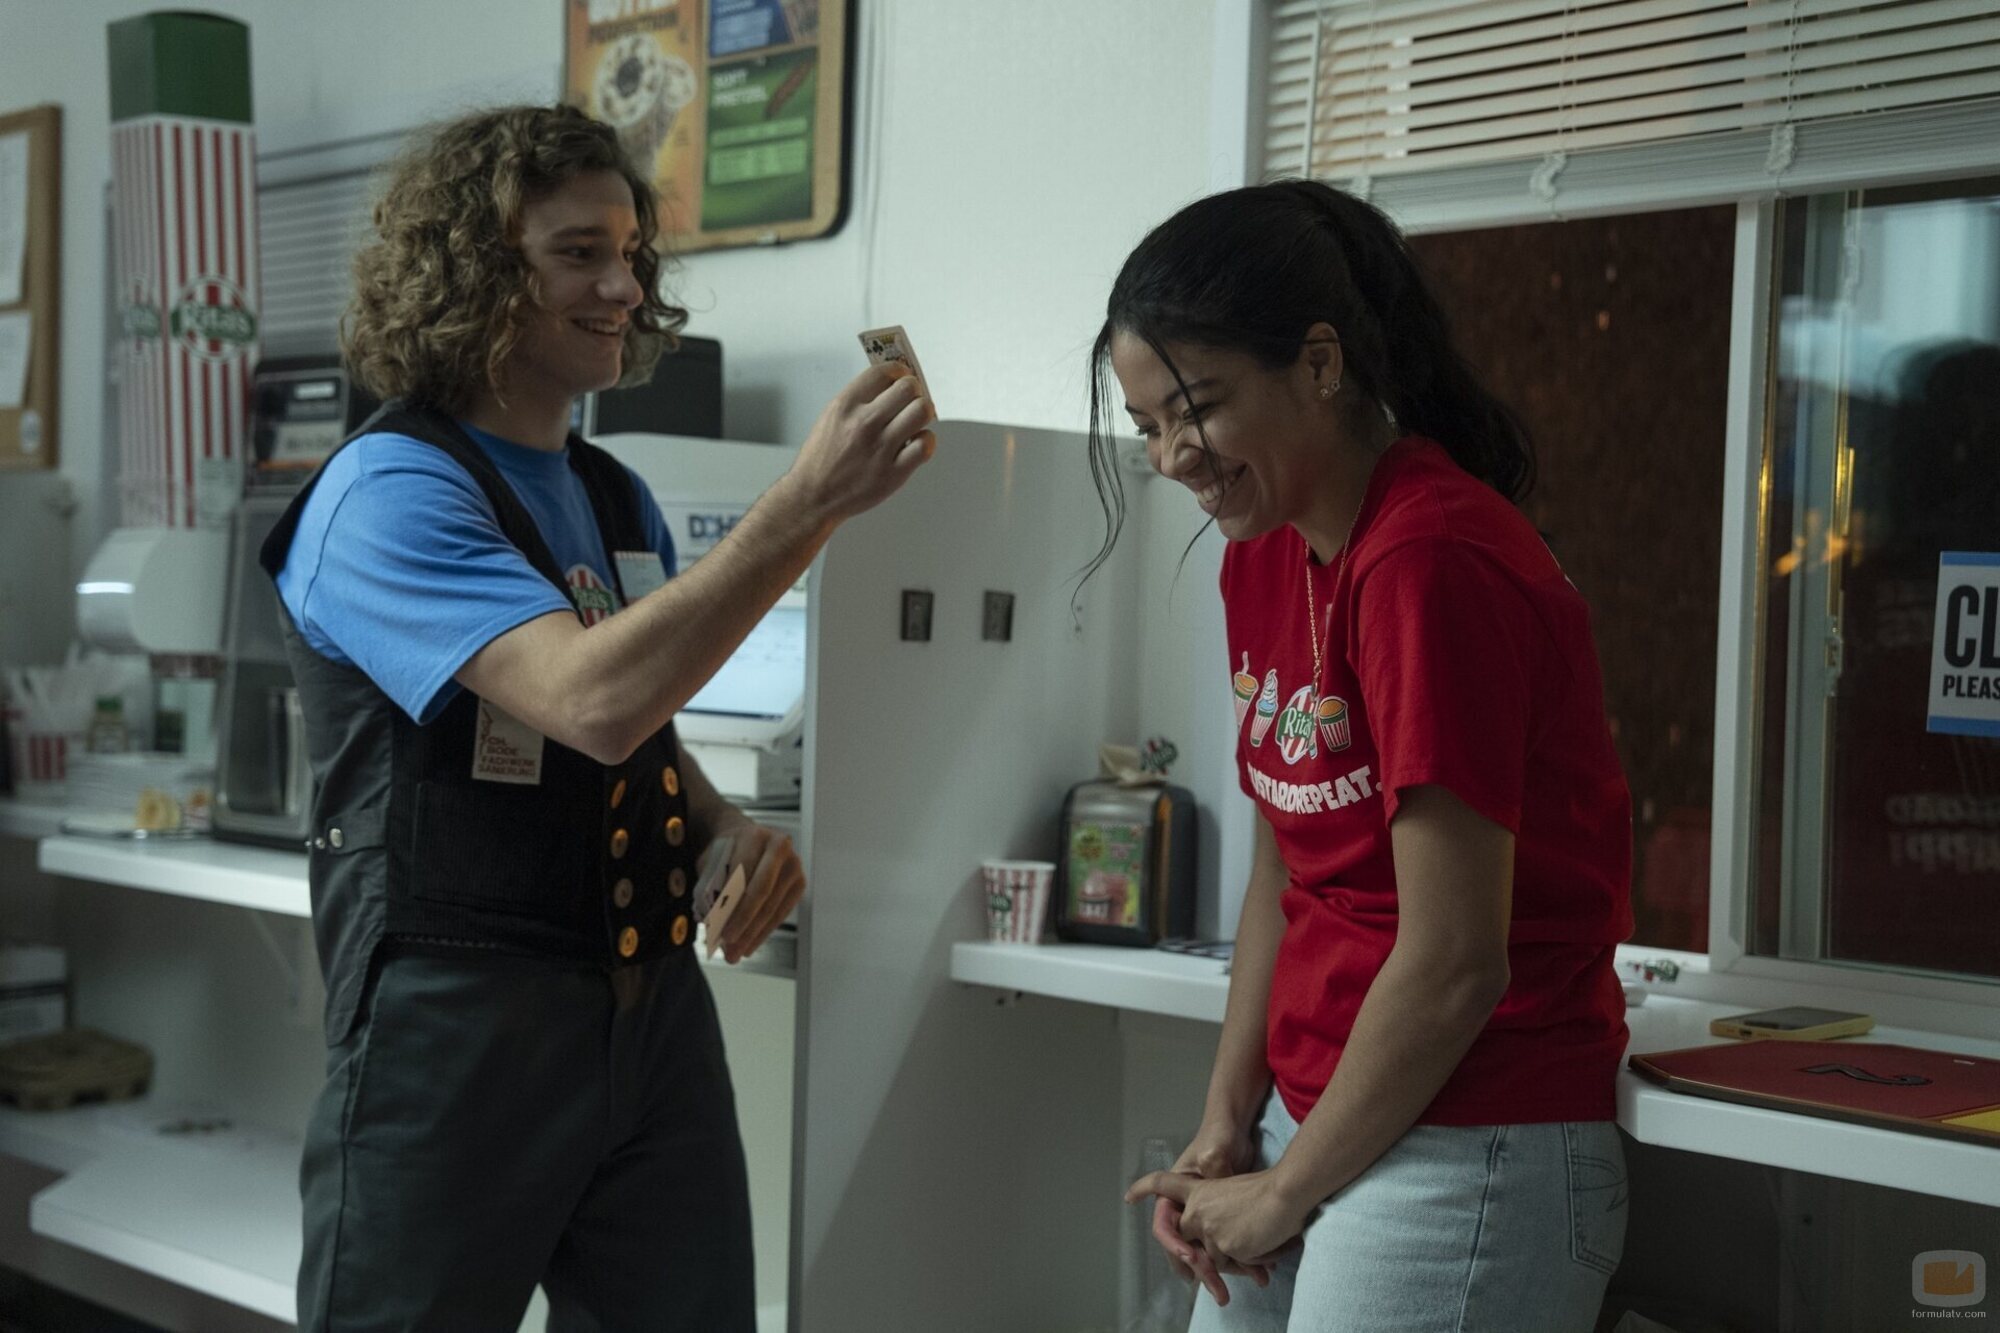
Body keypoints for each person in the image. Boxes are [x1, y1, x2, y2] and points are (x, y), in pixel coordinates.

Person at [263, 104, 933, 1330]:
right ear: (470, 269)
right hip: (453, 1023)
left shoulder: (607, 490)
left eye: (629, 252)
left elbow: (647, 744)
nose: (623, 284)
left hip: (648, 1010)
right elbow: (592, 701)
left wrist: (725, 829)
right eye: (577, 252)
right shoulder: (382, 491)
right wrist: (807, 504)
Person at [1103, 180, 1633, 1331]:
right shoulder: (1265, 549)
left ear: (1320, 365)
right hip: (1319, 1109)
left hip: (1469, 1136)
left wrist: (1286, 1188)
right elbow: (1281, 877)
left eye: (1195, 408)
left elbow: (1454, 961)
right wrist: (1222, 1128)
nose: (1171, 456)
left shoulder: (1429, 561)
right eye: (1144, 424)